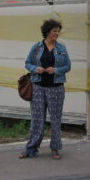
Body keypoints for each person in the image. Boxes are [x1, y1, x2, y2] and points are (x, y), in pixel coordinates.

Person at [19, 19, 71, 159]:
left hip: (56, 88)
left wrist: (56, 70)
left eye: (58, 31)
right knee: (37, 119)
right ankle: (31, 149)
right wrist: (36, 69)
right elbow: (27, 63)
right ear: (47, 31)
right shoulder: (36, 47)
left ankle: (55, 148)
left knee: (55, 119)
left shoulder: (61, 48)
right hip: (38, 87)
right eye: (54, 30)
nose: (57, 33)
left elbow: (68, 67)